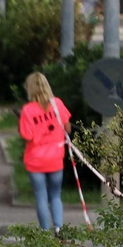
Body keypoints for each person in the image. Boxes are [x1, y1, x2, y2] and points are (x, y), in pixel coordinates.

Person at [19, 72, 71, 231]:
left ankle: (44, 230)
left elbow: (27, 137)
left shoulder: (27, 110)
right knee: (56, 195)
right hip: (56, 157)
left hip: (35, 160)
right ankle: (58, 228)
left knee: (41, 197)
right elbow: (67, 128)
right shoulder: (57, 104)